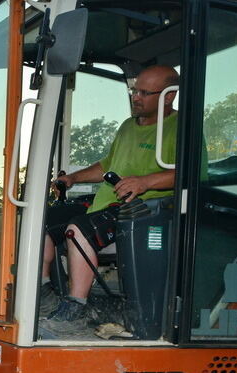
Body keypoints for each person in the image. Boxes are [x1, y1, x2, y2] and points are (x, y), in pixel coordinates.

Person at [41, 65, 179, 332]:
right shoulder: (128, 126)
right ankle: (45, 294)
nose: (135, 97)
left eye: (144, 93)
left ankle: (77, 308)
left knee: (78, 229)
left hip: (142, 212)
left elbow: (191, 174)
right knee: (40, 220)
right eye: (134, 90)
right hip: (105, 205)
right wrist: (74, 178)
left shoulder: (181, 129)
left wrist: (145, 181)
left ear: (169, 96)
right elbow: (107, 165)